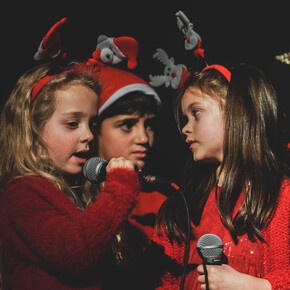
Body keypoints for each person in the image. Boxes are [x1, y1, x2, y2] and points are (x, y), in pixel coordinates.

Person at [0, 62, 143, 289]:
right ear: (33, 132)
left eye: (92, 123)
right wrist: (120, 188)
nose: (88, 135)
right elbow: (73, 252)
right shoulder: (20, 194)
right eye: (72, 124)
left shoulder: (79, 192)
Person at [150, 63, 290, 289]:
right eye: (185, 118)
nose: (186, 128)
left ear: (237, 110)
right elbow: (161, 281)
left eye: (196, 113)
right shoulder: (182, 206)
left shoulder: (280, 198)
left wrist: (256, 286)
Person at [87, 62, 168, 288]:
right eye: (127, 125)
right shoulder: (63, 193)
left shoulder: (162, 199)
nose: (143, 137)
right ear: (93, 129)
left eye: (149, 125)